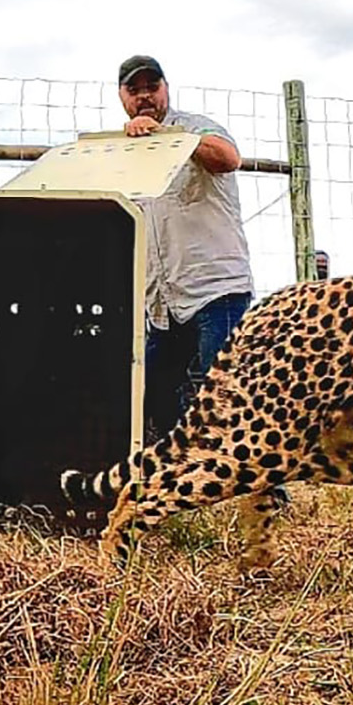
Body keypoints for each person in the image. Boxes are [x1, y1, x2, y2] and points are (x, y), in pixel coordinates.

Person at [115, 55, 253, 442]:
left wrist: (168, 137)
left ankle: (268, 497)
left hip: (216, 290)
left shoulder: (194, 128)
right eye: (134, 89)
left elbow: (228, 159)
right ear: (121, 97)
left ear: (166, 89)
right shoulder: (121, 153)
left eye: (151, 87)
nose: (144, 96)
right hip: (163, 303)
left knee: (226, 395)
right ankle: (191, 469)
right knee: (152, 393)